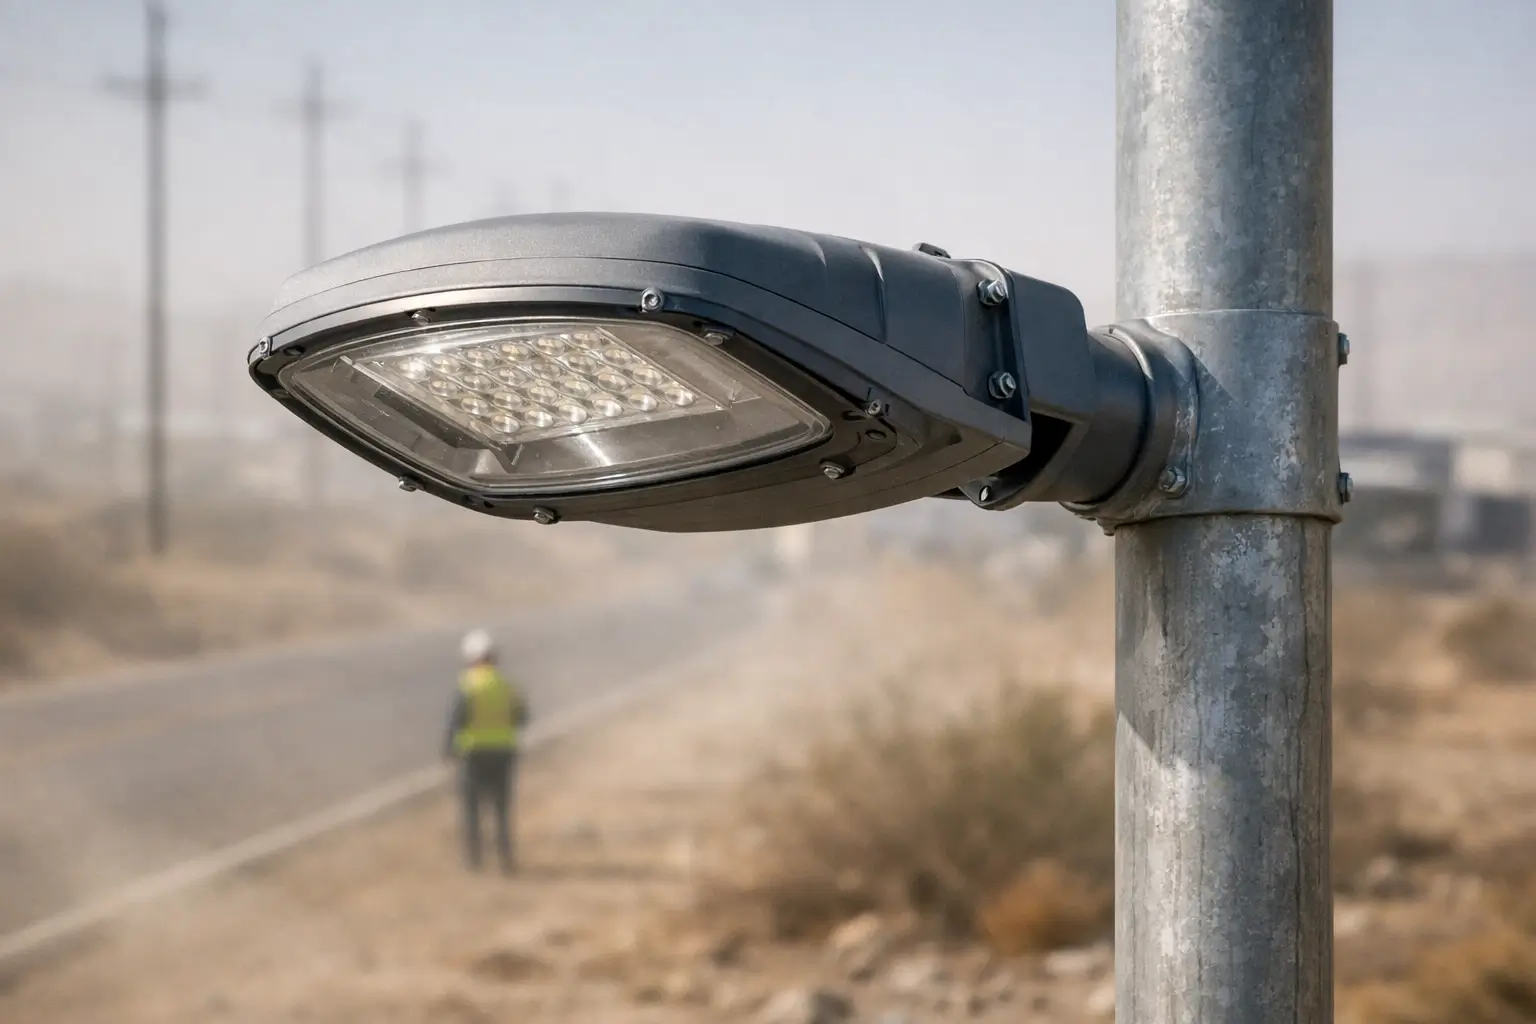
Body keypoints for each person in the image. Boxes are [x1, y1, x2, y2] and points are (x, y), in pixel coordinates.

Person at [444, 628, 528, 874]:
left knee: (472, 807)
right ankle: (505, 856)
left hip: (473, 753)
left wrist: (449, 749)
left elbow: (456, 720)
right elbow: (522, 717)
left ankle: (474, 858)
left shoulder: (467, 685)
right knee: (501, 807)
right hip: (503, 752)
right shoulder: (507, 686)